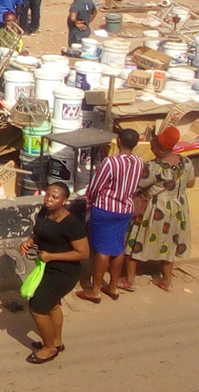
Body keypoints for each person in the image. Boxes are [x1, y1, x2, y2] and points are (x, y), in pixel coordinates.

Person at [19, 182, 89, 363]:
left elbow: (83, 253)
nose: (49, 199)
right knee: (52, 305)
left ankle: (49, 348)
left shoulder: (71, 223)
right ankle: (56, 341)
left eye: (55, 197)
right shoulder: (44, 212)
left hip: (65, 272)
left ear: (64, 201)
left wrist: (52, 256)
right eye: (48, 195)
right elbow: (39, 233)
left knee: (37, 306)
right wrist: (30, 241)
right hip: (47, 268)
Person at [124, 126, 194, 293]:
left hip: (156, 208)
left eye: (154, 147)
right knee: (170, 243)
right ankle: (166, 281)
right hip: (178, 209)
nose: (152, 149)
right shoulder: (186, 162)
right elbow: (190, 183)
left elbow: (137, 185)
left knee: (135, 239)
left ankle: (129, 280)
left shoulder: (154, 167)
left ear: (162, 150)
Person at [77, 127, 143, 303]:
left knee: (102, 250)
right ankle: (113, 286)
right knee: (117, 248)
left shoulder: (111, 162)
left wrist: (90, 200)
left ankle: (95, 290)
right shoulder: (139, 162)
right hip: (125, 210)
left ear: (119, 141)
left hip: (106, 209)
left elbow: (96, 186)